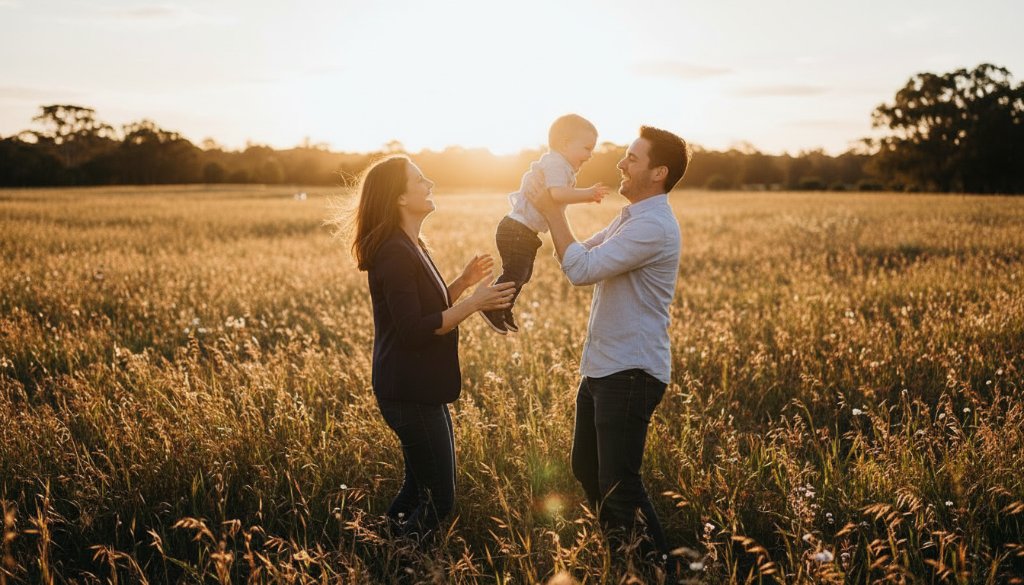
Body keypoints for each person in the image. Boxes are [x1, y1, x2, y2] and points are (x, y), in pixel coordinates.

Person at [527, 126, 691, 571]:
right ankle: (626, 561)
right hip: (604, 368)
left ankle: (657, 572)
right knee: (587, 468)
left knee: (620, 484)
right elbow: (578, 254)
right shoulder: (632, 216)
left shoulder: (653, 226)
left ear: (658, 172)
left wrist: (554, 209)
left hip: (630, 372)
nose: (621, 163)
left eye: (632, 158)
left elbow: (581, 270)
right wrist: (551, 212)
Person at [350, 155, 515, 542]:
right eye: (420, 180)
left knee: (416, 490)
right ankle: (403, 560)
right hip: (408, 392)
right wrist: (474, 303)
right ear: (400, 197)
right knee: (439, 500)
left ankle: (382, 551)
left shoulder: (411, 245)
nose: (430, 185)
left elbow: (425, 310)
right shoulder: (394, 251)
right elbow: (413, 330)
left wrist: (462, 282)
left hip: (417, 388)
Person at [481, 114, 610, 334]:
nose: (590, 155)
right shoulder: (555, 162)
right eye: (587, 148)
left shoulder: (561, 165)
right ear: (565, 144)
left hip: (523, 231)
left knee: (522, 274)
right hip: (516, 229)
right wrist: (587, 194)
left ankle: (503, 307)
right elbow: (557, 193)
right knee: (516, 272)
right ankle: (491, 305)